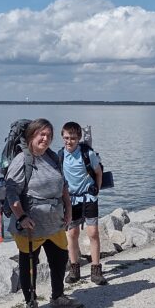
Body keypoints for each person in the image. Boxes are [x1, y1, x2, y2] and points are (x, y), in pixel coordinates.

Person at [6, 119, 83, 308]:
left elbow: (63, 184)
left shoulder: (51, 157)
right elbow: (11, 191)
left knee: (59, 258)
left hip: (55, 220)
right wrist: (21, 216)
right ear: (31, 136)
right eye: (41, 134)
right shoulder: (22, 160)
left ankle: (58, 296)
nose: (45, 138)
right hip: (31, 222)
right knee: (29, 263)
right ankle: (31, 302)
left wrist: (68, 207)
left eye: (49, 135)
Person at [60, 121, 107, 286]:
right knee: (72, 234)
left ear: (79, 138)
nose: (69, 141)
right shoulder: (60, 156)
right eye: (66, 137)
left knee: (93, 233)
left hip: (89, 198)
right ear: (62, 137)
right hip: (70, 200)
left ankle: (96, 269)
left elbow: (98, 172)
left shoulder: (88, 154)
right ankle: (74, 268)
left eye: (72, 138)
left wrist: (96, 190)